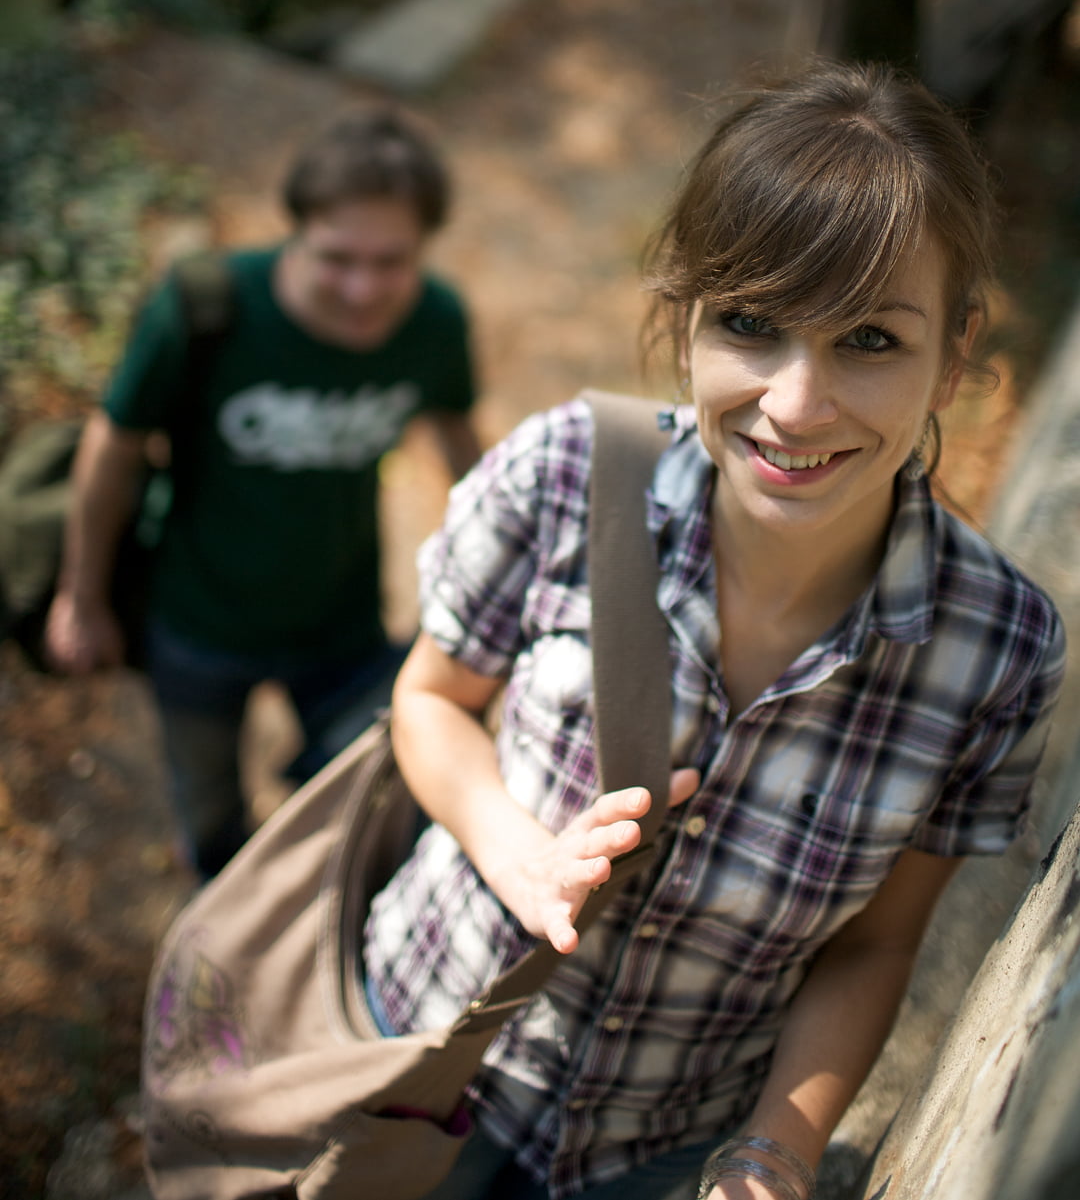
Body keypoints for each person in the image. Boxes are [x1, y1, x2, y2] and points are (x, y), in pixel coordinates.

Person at [362, 63, 1065, 1200]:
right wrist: (515, 848)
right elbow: (430, 699)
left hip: (664, 1153)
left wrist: (775, 1150)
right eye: (752, 324)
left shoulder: (997, 653)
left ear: (956, 347)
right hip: (418, 1056)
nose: (796, 402)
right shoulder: (564, 473)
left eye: (870, 340)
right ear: (686, 315)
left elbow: (875, 945)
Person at [45, 107, 481, 879]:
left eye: (392, 261)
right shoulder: (208, 304)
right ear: (298, 229)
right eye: (338, 256)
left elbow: (463, 451)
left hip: (343, 627)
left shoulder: (435, 322)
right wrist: (82, 596)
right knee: (211, 819)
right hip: (197, 622)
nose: (363, 287)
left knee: (361, 795)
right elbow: (112, 444)